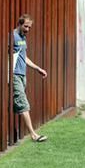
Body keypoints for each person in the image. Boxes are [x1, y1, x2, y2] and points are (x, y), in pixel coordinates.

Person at [12, 14, 49, 142]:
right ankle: (33, 134)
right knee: (22, 103)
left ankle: (14, 135)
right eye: (26, 26)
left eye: (29, 27)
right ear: (20, 24)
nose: (28, 29)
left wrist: (38, 68)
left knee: (18, 104)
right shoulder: (12, 36)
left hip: (23, 75)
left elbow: (24, 57)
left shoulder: (23, 38)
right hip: (15, 75)